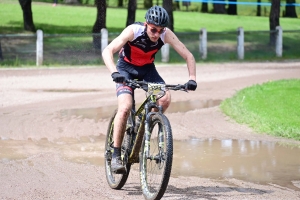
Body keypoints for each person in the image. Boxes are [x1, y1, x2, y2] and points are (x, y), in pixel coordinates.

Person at [102, 5, 197, 173]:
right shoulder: (134, 30)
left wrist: (192, 78)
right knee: (124, 108)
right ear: (146, 24)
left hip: (147, 71)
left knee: (164, 98)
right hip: (125, 70)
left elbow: (188, 55)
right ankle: (116, 155)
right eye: (153, 30)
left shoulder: (165, 34)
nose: (156, 34)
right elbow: (108, 50)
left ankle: (145, 124)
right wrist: (114, 73)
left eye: (160, 31)